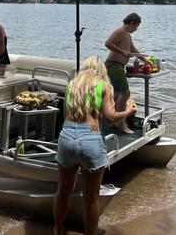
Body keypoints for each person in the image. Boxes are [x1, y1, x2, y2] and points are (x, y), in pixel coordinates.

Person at [53, 55, 137, 235]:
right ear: (101, 71)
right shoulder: (102, 85)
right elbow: (111, 117)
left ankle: (58, 229)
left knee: (63, 191)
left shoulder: (72, 85)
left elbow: (67, 114)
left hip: (66, 136)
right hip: (89, 138)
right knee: (91, 199)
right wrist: (129, 111)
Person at [104, 12, 147, 134]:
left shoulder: (127, 35)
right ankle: (120, 123)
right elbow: (108, 43)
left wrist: (145, 59)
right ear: (132, 23)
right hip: (114, 65)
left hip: (119, 66)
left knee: (118, 95)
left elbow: (133, 50)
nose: (136, 29)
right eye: (136, 27)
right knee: (125, 93)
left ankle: (114, 120)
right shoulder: (120, 31)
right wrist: (122, 52)